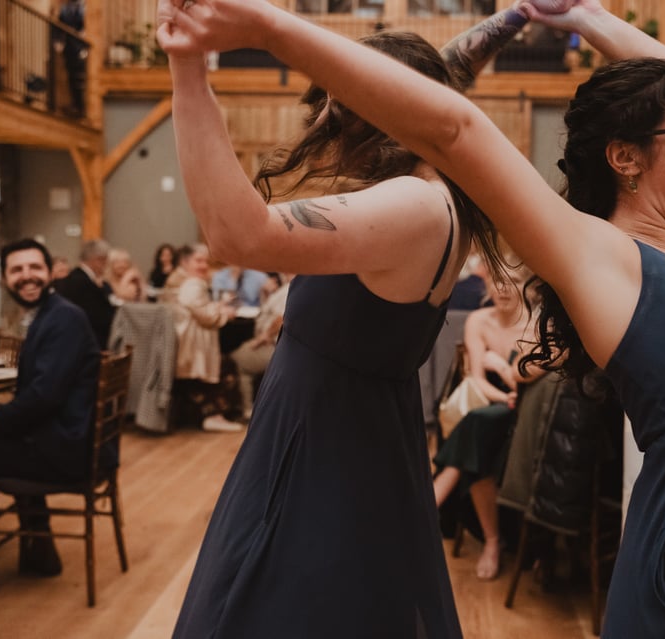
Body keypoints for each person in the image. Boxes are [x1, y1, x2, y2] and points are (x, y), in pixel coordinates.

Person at [155, 0, 665, 636]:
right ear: (626, 157)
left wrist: (581, 16)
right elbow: (455, 129)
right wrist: (260, 27)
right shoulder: (602, 254)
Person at [156, 5, 519, 635]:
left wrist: (187, 63)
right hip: (347, 436)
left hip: (325, 458)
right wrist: (516, 16)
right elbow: (433, 81)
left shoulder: (413, 204)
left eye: (339, 99)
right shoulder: (436, 188)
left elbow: (235, 233)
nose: (326, 116)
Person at [0, 238, 100, 577]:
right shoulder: (49, 314)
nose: (26, 276)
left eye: (35, 267)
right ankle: (39, 551)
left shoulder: (63, 318)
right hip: (57, 439)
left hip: (63, 449)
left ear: (50, 272)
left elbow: (42, 398)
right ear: (5, 279)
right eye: (16, 270)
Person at [433, 264, 538, 580]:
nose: (504, 289)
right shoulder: (479, 320)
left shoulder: (536, 324)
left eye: (512, 281)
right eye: (496, 281)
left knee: (476, 427)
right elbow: (477, 378)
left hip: (526, 413)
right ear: (487, 285)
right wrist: (503, 395)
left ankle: (426, 505)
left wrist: (506, 372)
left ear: (527, 287)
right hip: (493, 404)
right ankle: (492, 541)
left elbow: (527, 380)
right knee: (478, 429)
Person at [163, 243, 243, 433]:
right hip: (192, 343)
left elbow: (193, 307)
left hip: (176, 342)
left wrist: (215, 306)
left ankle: (210, 414)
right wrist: (223, 313)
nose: (204, 266)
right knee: (227, 364)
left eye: (206, 261)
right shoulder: (192, 282)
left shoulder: (176, 279)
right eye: (199, 261)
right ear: (185, 262)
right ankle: (214, 415)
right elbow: (203, 315)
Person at [229, 273, 293, 421]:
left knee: (236, 358)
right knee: (243, 366)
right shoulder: (286, 289)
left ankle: (247, 409)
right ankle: (248, 409)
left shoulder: (289, 289)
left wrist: (263, 337)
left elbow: (281, 318)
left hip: (274, 346)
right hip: (276, 346)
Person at [54, 238, 115, 349]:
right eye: (105, 261)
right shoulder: (82, 282)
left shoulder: (77, 277)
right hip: (86, 342)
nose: (106, 265)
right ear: (98, 260)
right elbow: (98, 317)